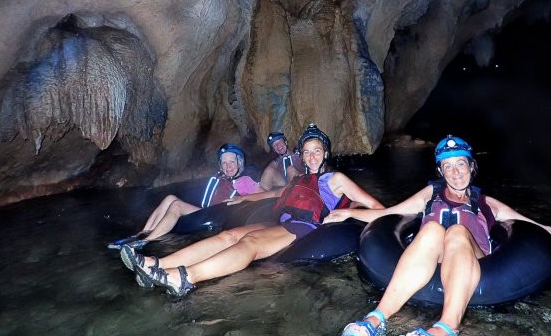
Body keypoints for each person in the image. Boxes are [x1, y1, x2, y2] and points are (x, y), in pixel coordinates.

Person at [325, 134, 551, 336]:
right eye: (448, 166)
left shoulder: (487, 203)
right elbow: (388, 214)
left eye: (460, 164)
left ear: (471, 167)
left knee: (457, 232)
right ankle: (376, 319)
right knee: (432, 229)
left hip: (474, 260)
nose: (455, 172)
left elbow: (540, 231)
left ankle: (447, 328)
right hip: (432, 258)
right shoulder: (429, 195)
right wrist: (350, 213)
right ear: (441, 171)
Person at [119, 123, 385, 295]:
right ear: (301, 155)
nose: (311, 156)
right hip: (282, 222)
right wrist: (245, 200)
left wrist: (350, 213)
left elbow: (377, 207)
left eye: (317, 151)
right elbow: (275, 193)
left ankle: (185, 278)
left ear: (325, 153)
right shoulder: (300, 178)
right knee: (228, 236)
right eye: (306, 152)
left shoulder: (336, 179)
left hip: (304, 227)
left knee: (251, 242)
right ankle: (158, 264)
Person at [108, 143, 275, 249]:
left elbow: (266, 195)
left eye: (232, 162)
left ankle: (145, 242)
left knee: (177, 206)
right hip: (207, 211)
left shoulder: (244, 181)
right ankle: (140, 234)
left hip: (217, 217)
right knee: (170, 198)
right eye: (224, 162)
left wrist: (242, 198)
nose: (228, 166)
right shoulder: (221, 177)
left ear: (239, 162)